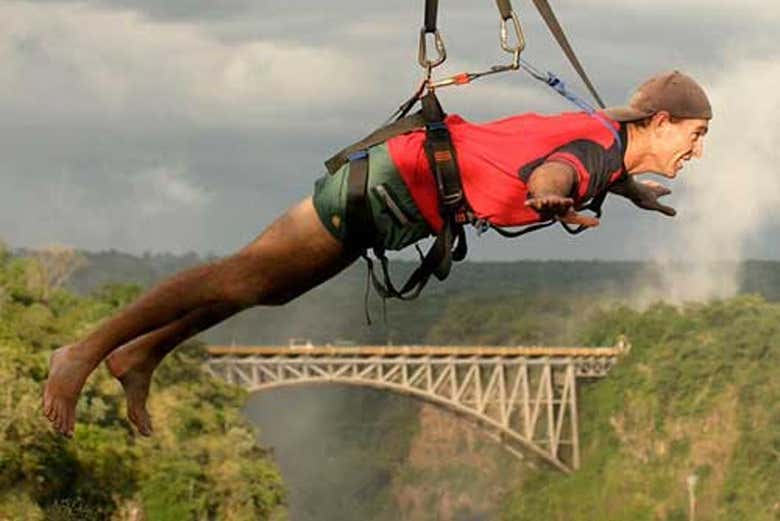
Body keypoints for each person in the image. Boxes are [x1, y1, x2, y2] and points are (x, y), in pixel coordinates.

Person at [43, 70, 711, 437]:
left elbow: (591, 160)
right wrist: (550, 197)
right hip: (386, 186)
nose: (698, 149)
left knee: (263, 288)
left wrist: (628, 191)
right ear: (657, 123)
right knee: (239, 276)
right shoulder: (592, 153)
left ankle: (141, 353)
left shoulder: (606, 140)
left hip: (400, 198)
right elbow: (558, 171)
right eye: (695, 133)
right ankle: (81, 352)